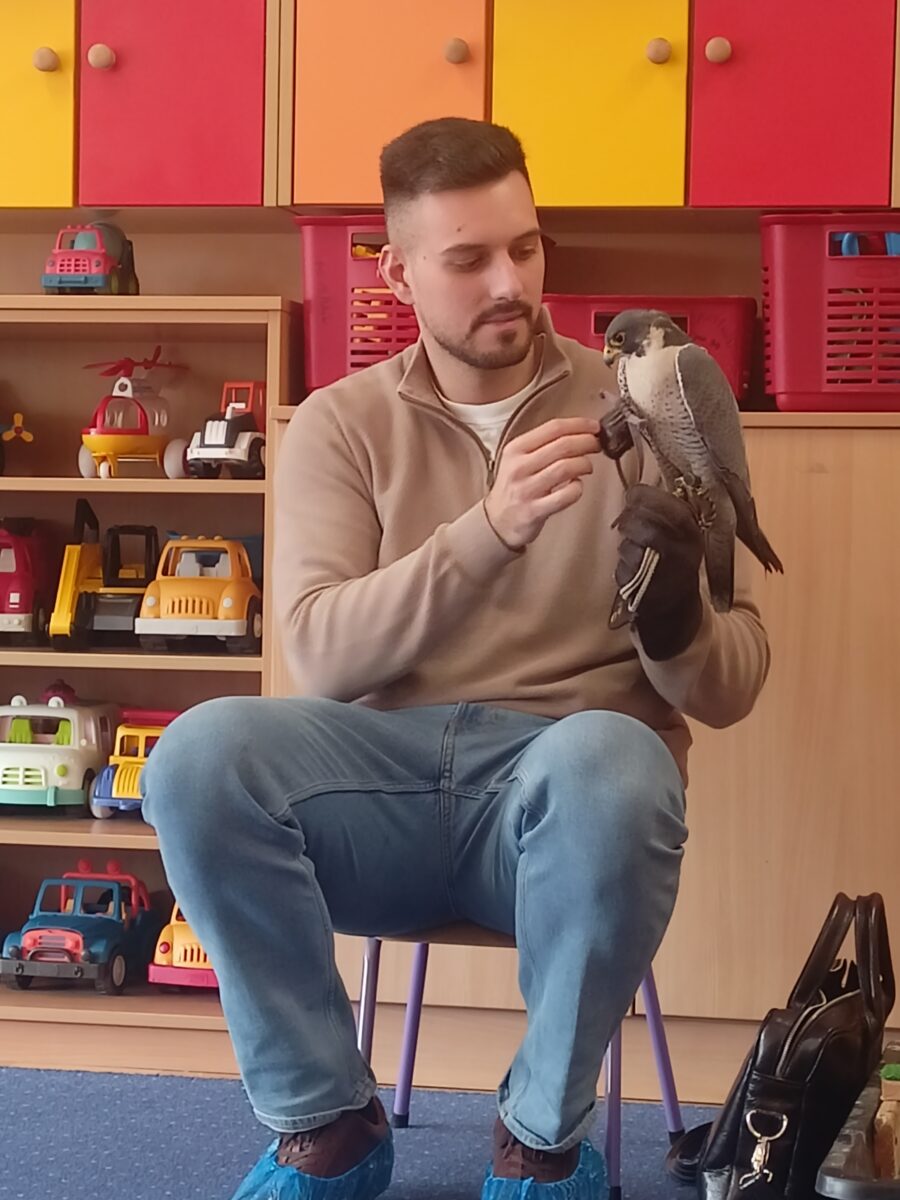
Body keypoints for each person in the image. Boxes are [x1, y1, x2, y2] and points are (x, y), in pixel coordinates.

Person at [142, 117, 771, 1200]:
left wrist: (675, 622)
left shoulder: (652, 399)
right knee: (198, 757)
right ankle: (327, 1125)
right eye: (469, 258)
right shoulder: (339, 424)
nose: (509, 283)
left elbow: (738, 681)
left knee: (616, 763)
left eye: (525, 248)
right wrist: (490, 531)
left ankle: (541, 1140)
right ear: (396, 273)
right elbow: (322, 653)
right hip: (374, 792)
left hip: (559, 802)